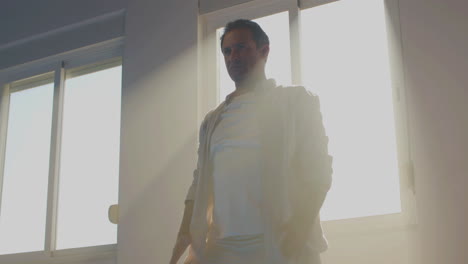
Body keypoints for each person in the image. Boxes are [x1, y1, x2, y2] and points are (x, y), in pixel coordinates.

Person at [169, 19, 333, 264]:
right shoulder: (213, 121)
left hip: (278, 245)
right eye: (227, 51)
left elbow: (319, 170)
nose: (233, 56)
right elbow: (198, 184)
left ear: (264, 50)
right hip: (220, 250)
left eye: (242, 47)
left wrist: (300, 228)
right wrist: (183, 237)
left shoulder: (296, 101)